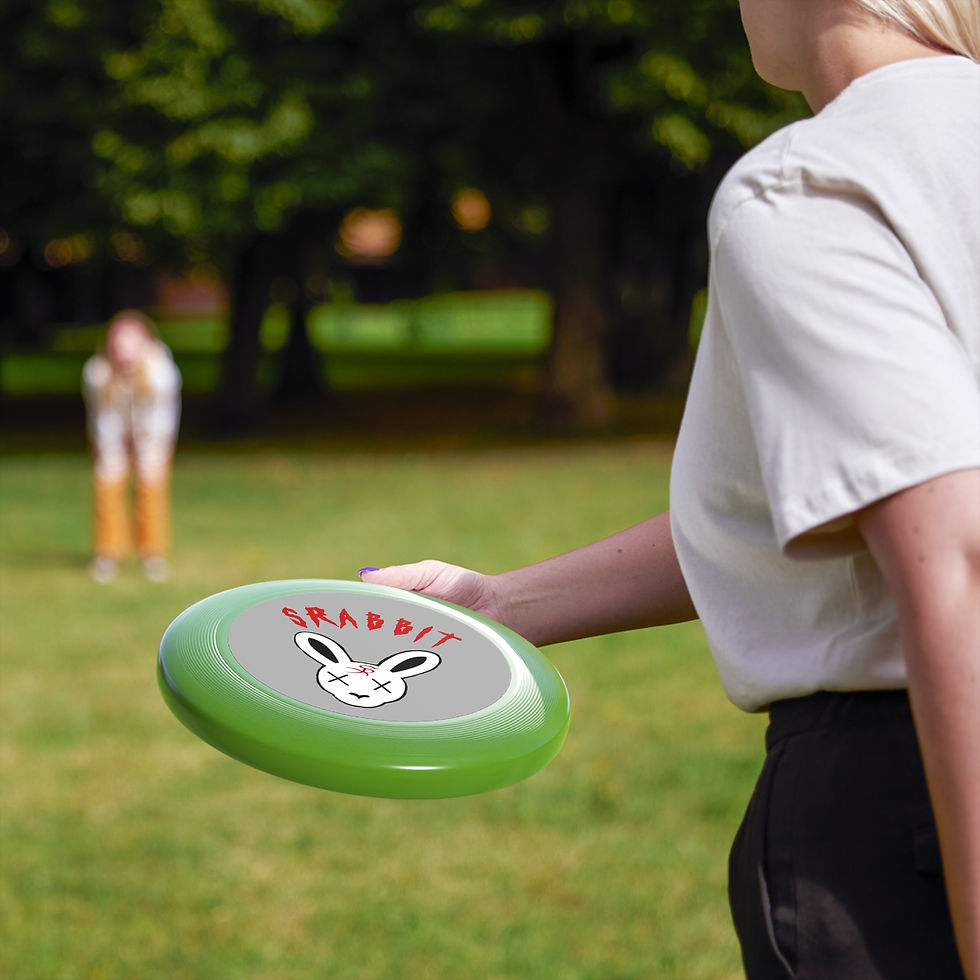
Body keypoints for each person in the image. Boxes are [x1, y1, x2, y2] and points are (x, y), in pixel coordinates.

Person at [359, 0, 980, 976]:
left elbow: (952, 555)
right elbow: (839, 504)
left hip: (910, 800)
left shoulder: (817, 184)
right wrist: (498, 602)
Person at [82, 310, 181, 583]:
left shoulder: (161, 371)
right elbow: (103, 417)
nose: (124, 351)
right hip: (112, 434)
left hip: (153, 435)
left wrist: (145, 445)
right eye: (118, 343)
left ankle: (152, 554)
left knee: (152, 486)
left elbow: (162, 417)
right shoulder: (97, 373)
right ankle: (107, 553)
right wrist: (113, 449)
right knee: (107, 482)